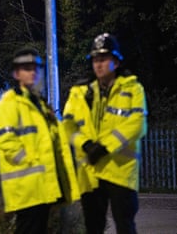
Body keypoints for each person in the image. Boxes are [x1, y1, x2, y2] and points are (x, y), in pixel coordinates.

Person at [62, 33, 148, 234]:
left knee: (125, 225)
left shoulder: (133, 89)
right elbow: (67, 126)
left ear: (116, 62)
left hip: (120, 171)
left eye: (103, 59)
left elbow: (137, 124)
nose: (98, 64)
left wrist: (105, 146)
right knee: (93, 227)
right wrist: (85, 144)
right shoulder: (79, 92)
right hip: (90, 172)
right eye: (95, 59)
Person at [0, 47, 80, 233]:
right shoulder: (8, 105)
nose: (33, 72)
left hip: (41, 187)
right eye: (26, 68)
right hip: (27, 188)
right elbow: (8, 145)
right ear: (16, 74)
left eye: (36, 68)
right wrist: (33, 163)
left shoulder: (39, 104)